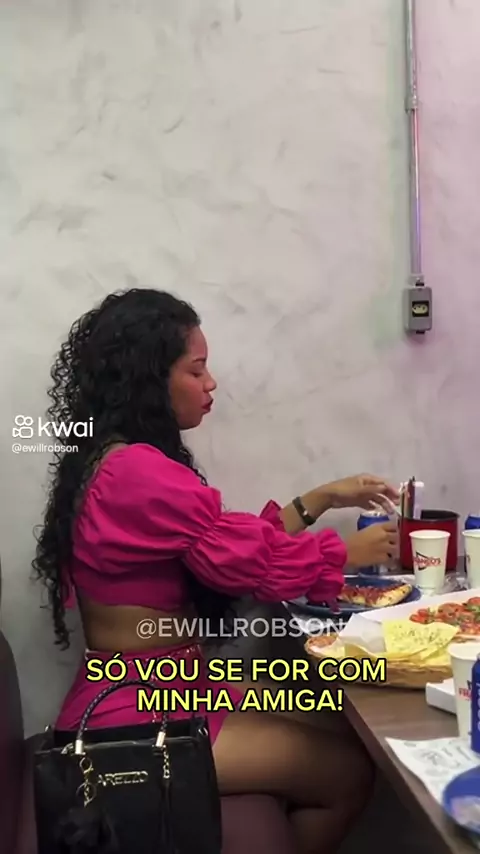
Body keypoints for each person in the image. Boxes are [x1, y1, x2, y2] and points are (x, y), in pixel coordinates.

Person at [33, 288, 399, 854]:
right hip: (137, 713)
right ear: (150, 378)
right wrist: (344, 554)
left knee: (335, 719)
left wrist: (322, 497)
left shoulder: (117, 459)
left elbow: (231, 543)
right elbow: (251, 563)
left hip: (173, 686)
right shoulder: (135, 472)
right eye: (196, 369)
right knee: (350, 771)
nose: (211, 384)